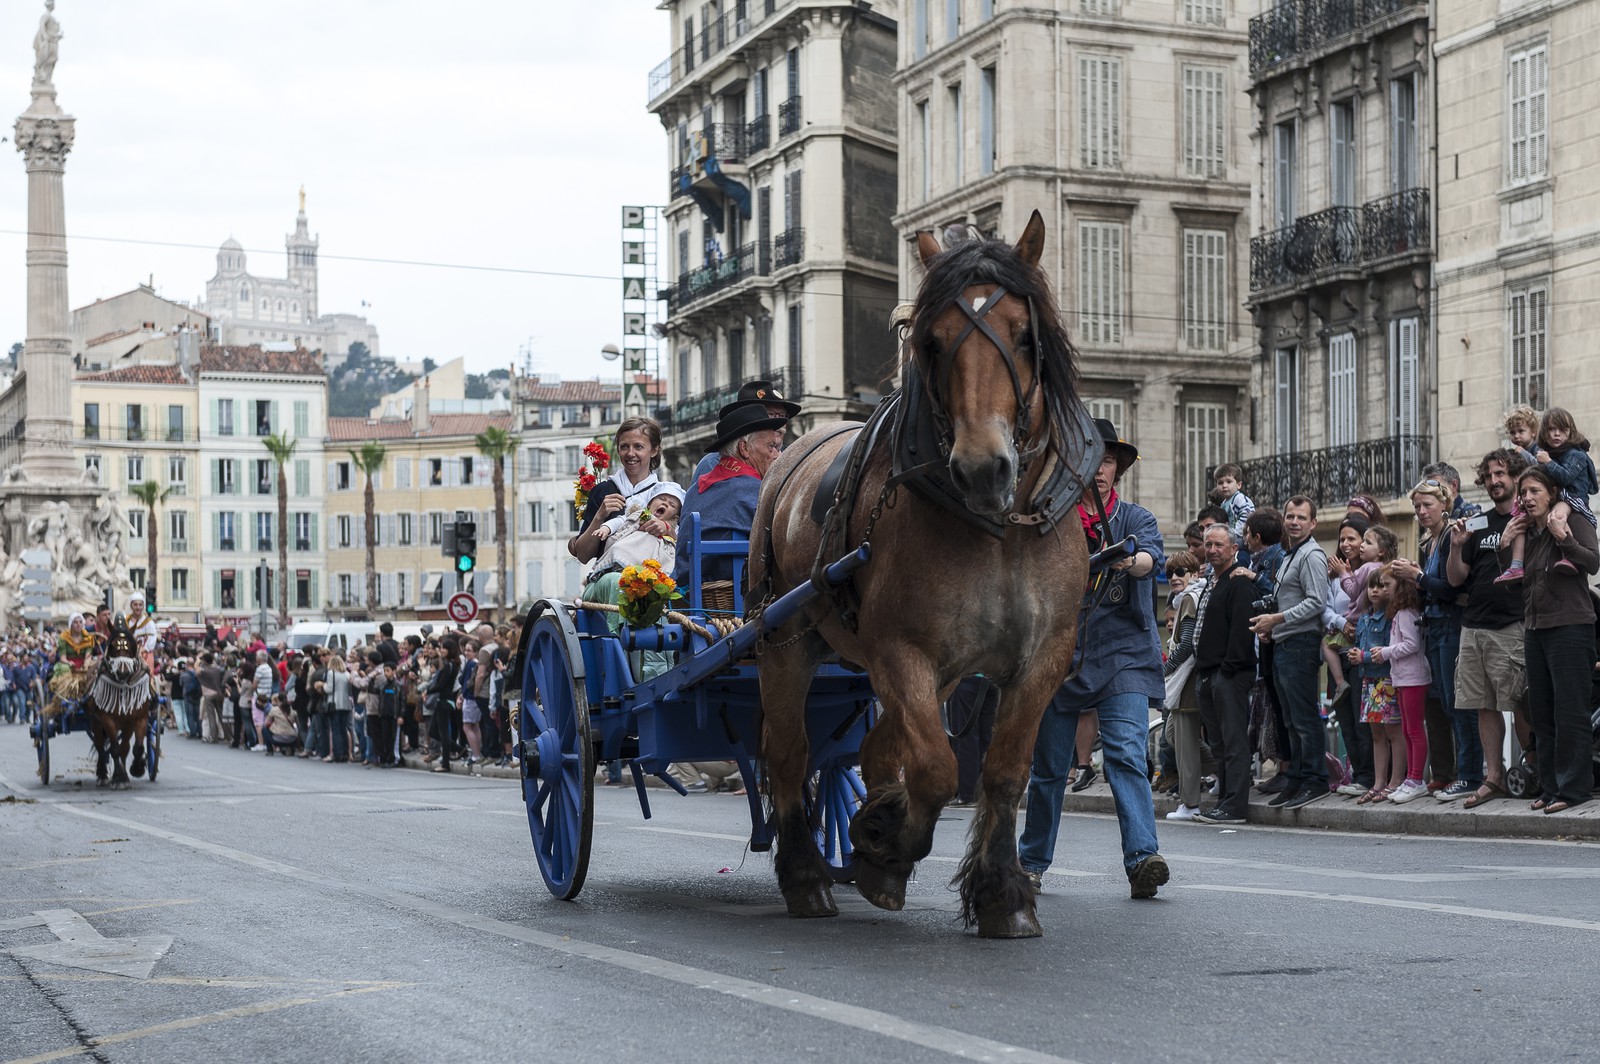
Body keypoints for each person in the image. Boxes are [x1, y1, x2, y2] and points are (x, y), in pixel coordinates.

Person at [1020, 419, 1169, 899]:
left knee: (1126, 755)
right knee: (1049, 769)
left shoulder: (1136, 518)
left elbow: (1150, 559)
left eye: (1108, 461)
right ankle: (1031, 864)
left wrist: (1129, 559)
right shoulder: (1053, 522)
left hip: (1124, 653)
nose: (1101, 469)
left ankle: (1143, 859)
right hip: (1059, 654)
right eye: (1093, 460)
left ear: (1117, 469)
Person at [1499, 465, 1599, 813]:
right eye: (1523, 493)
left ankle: (1574, 790)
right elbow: (1513, 584)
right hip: (1535, 628)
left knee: (1570, 711)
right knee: (1541, 713)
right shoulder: (1529, 533)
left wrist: (1563, 538)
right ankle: (1550, 786)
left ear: (1552, 493)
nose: (1527, 498)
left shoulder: (1572, 521)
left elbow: (1593, 562)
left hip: (1571, 627)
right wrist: (1505, 545)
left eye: (1534, 491)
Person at [1447, 448, 1533, 808]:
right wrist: (1455, 548)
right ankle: (1494, 777)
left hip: (1510, 625)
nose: (1494, 481)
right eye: (1489, 475)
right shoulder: (1478, 522)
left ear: (1515, 477)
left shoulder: (1527, 520)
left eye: (1501, 474)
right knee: (1483, 704)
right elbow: (1456, 579)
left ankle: (1534, 772)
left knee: (1520, 704)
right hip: (1472, 628)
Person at [1390, 478, 1472, 798]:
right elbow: (1429, 590)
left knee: (1456, 703)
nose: (1422, 511)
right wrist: (1416, 577)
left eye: (1427, 505)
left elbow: (1451, 589)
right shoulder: (1428, 542)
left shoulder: (1451, 535)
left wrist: (1418, 577)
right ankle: (1448, 774)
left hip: (1451, 625)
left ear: (1444, 504)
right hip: (1434, 627)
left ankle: (1468, 773)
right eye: (1417, 507)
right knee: (1441, 704)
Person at [1249, 495, 1330, 808]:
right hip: (1284, 643)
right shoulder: (1289, 555)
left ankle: (1316, 779)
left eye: (1301, 517)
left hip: (1301, 644)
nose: (1294, 522)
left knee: (1304, 718)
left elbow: (1316, 602)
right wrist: (1271, 627)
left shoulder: (1311, 555)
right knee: (1290, 720)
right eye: (1290, 516)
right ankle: (1296, 778)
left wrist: (1277, 619)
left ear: (1313, 523)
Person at [672, 404, 788, 588]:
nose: (777, 455)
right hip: (742, 594)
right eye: (771, 446)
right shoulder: (757, 491)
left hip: (690, 590)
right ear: (744, 448)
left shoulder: (697, 488)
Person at [1190, 528, 1257, 826]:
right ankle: (1225, 801)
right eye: (1208, 544)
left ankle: (1236, 806)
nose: (1212, 549)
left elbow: (1242, 630)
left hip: (1228, 675)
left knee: (1233, 742)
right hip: (1208, 673)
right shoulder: (1211, 581)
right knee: (1218, 744)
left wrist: (1227, 670)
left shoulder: (1238, 583)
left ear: (1233, 549)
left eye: (1219, 544)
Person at [1349, 564, 1431, 803]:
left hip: (1411, 677)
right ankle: (1408, 779)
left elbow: (1412, 644)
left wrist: (1384, 652)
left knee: (1412, 730)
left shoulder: (1405, 613)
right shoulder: (1398, 613)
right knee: (1406, 730)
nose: (1383, 590)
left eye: (1386, 585)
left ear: (1401, 586)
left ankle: (1415, 778)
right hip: (1402, 678)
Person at [1499, 406, 1597, 583]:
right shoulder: (1552, 454)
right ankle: (1516, 566)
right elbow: (1540, 475)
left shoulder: (1576, 455)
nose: (1556, 434)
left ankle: (1567, 557)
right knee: (1521, 522)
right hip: (1560, 496)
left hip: (1573, 498)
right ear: (1544, 433)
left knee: (1557, 516)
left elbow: (1565, 478)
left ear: (1571, 431)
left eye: (1562, 429)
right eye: (1551, 429)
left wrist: (1548, 462)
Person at [568, 416, 665, 565]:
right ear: (618, 449)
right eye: (624, 446)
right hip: (609, 573)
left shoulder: (664, 495)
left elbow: (679, 541)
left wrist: (666, 528)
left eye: (638, 447)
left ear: (654, 450)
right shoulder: (602, 491)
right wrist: (599, 516)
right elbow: (583, 556)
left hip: (653, 573)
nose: (630, 453)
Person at [1323, 515, 1373, 795]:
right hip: (1337, 655)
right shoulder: (1332, 574)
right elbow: (1325, 609)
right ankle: (1357, 774)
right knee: (1344, 720)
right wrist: (1342, 623)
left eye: (1352, 538)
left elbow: (1365, 602)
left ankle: (1367, 776)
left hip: (1361, 655)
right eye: (1342, 539)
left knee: (1361, 719)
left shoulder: (1369, 572)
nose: (1346, 544)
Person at [1348, 570, 1402, 804]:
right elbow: (1360, 645)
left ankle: (1396, 781)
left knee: (1393, 732)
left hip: (1386, 680)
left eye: (1381, 586)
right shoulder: (1364, 618)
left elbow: (1389, 650)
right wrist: (1355, 654)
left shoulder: (1391, 617)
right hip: (1368, 681)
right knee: (1376, 733)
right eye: (1371, 586)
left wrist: (1363, 656)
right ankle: (1379, 782)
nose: (1375, 591)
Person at [1212, 463, 1255, 540]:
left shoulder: (1239, 499)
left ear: (1239, 485)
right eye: (1220, 483)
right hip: (1230, 536)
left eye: (1229, 482)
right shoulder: (1224, 503)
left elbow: (1247, 517)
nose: (1224, 486)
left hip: (1242, 537)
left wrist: (1235, 533)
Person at [198, 652, 225, 743]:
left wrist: (198, 661)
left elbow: (197, 673)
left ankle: (213, 736)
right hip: (218, 693)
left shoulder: (205, 672)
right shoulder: (218, 670)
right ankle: (227, 735)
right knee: (221, 714)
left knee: (211, 716)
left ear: (205, 661)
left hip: (208, 694)